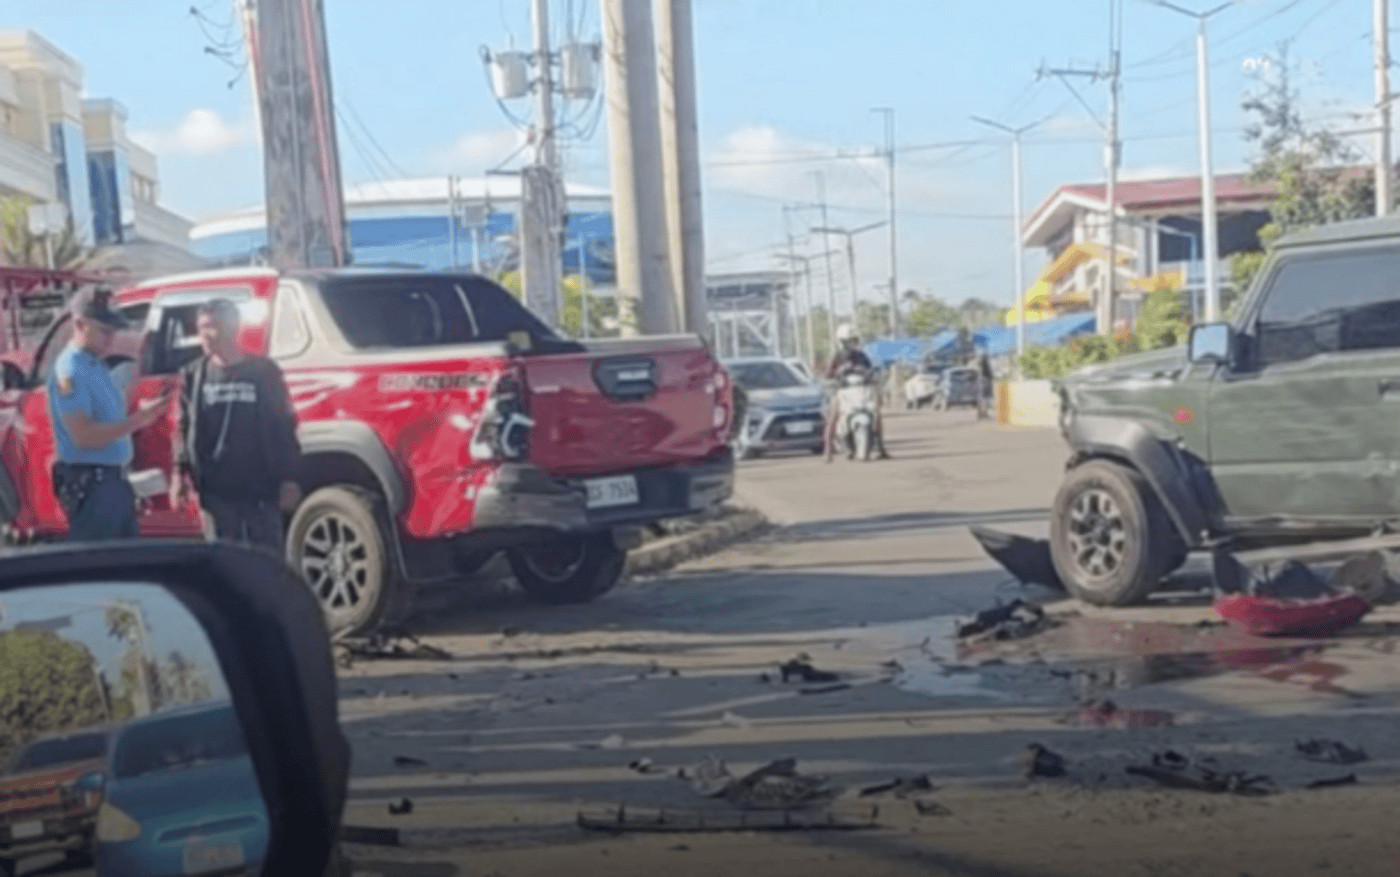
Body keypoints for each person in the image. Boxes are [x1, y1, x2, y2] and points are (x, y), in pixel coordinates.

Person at [171, 298, 302, 553]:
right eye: (201, 327)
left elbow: (284, 425)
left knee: (266, 562)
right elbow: (184, 426)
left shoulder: (264, 372)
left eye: (213, 326)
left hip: (260, 487)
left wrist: (289, 478)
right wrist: (179, 474)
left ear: (233, 327)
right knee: (223, 563)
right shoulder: (193, 375)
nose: (205, 335)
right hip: (216, 490)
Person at [49, 288, 167, 541]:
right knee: (100, 568)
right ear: (79, 324)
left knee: (125, 568)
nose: (112, 338)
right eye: (105, 330)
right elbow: (83, 435)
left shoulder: (95, 365)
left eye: (114, 331)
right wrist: (138, 421)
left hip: (111, 484)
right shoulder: (70, 369)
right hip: (93, 488)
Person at [823, 323, 890, 461]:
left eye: (854, 340)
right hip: (844, 390)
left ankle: (881, 447)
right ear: (842, 341)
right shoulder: (837, 356)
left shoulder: (862, 355)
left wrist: (871, 375)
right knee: (833, 416)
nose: (852, 344)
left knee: (876, 412)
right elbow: (828, 374)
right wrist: (837, 373)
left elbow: (871, 370)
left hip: (862, 390)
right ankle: (828, 450)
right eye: (850, 341)